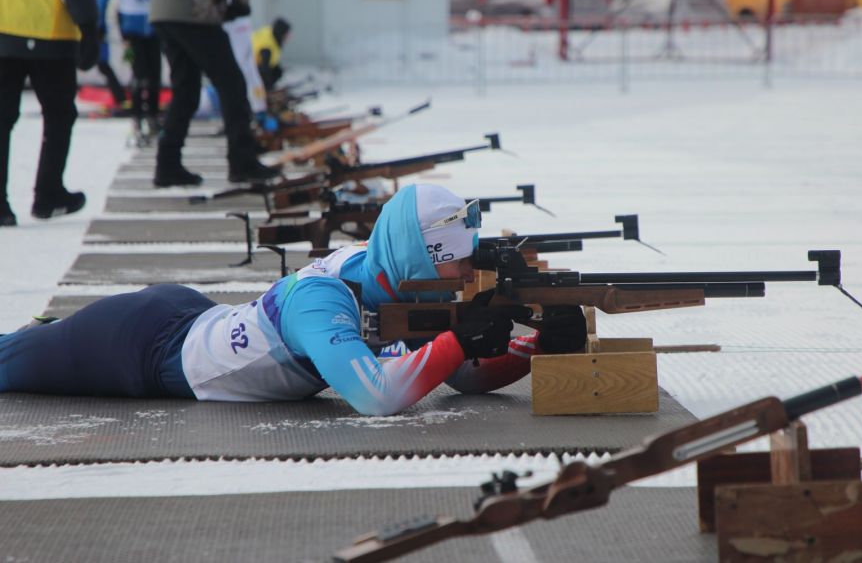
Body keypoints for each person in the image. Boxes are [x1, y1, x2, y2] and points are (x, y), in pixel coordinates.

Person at [0, 185, 586, 415]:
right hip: (140, 349)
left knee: (36, 347)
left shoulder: (391, 284)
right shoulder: (322, 303)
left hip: (187, 316)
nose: (465, 272)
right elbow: (376, 394)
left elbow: (456, 375)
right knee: (8, 362)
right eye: (456, 258)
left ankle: (49, 335)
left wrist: (532, 352)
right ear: (421, 257)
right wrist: (461, 340)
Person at [149, 0, 278, 187]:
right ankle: (242, 162)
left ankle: (167, 164)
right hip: (195, 8)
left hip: (162, 8)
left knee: (186, 91)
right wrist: (239, 2)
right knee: (233, 85)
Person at [0, 0, 100, 227]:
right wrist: (89, 27)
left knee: (1, 119)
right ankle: (48, 193)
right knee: (59, 117)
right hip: (50, 31)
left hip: (3, 29)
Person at [98, 0, 161, 144]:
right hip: (130, 33)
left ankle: (153, 117)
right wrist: (100, 26)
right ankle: (137, 117)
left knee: (154, 73)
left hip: (153, 30)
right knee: (138, 73)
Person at [252, 17, 291, 93]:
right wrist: (269, 88)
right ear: (281, 33)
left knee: (278, 71)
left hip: (258, 65)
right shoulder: (267, 46)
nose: (289, 37)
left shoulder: (272, 35)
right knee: (270, 74)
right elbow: (264, 68)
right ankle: (264, 92)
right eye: (287, 34)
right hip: (253, 68)